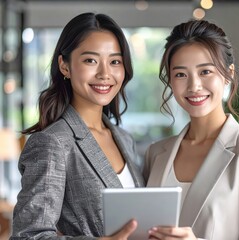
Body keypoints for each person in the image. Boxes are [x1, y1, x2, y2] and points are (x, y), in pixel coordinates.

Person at [143, 19, 239, 240]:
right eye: (181, 74)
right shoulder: (156, 153)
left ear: (228, 74)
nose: (194, 86)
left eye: (205, 72)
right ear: (170, 80)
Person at [10, 12, 144, 239]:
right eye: (90, 60)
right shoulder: (52, 143)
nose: (104, 73)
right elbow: (28, 235)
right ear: (64, 66)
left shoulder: (124, 139)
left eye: (115, 61)